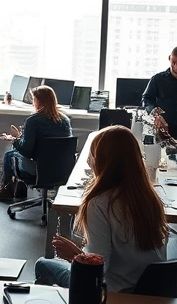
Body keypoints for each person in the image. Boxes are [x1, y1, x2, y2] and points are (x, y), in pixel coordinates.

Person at [34, 125, 168, 292]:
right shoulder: (150, 197)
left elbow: (96, 270)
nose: (90, 160)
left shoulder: (99, 203)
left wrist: (73, 255)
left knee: (43, 264)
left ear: (103, 160)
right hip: (149, 289)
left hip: (111, 291)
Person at [0, 85, 73, 202]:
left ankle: (7, 190)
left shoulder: (33, 121)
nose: (33, 102)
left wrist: (14, 140)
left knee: (9, 155)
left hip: (39, 169)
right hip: (62, 169)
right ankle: (19, 188)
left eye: (34, 99)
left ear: (39, 101)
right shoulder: (65, 120)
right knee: (16, 152)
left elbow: (26, 152)